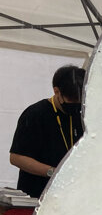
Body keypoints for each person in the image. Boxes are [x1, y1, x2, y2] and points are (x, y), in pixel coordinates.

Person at [9, 65, 85, 198]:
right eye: (71, 100)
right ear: (56, 91)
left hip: (71, 194)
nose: (76, 104)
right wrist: (53, 172)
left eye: (79, 100)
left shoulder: (83, 115)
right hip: (37, 195)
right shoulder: (35, 114)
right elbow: (16, 158)